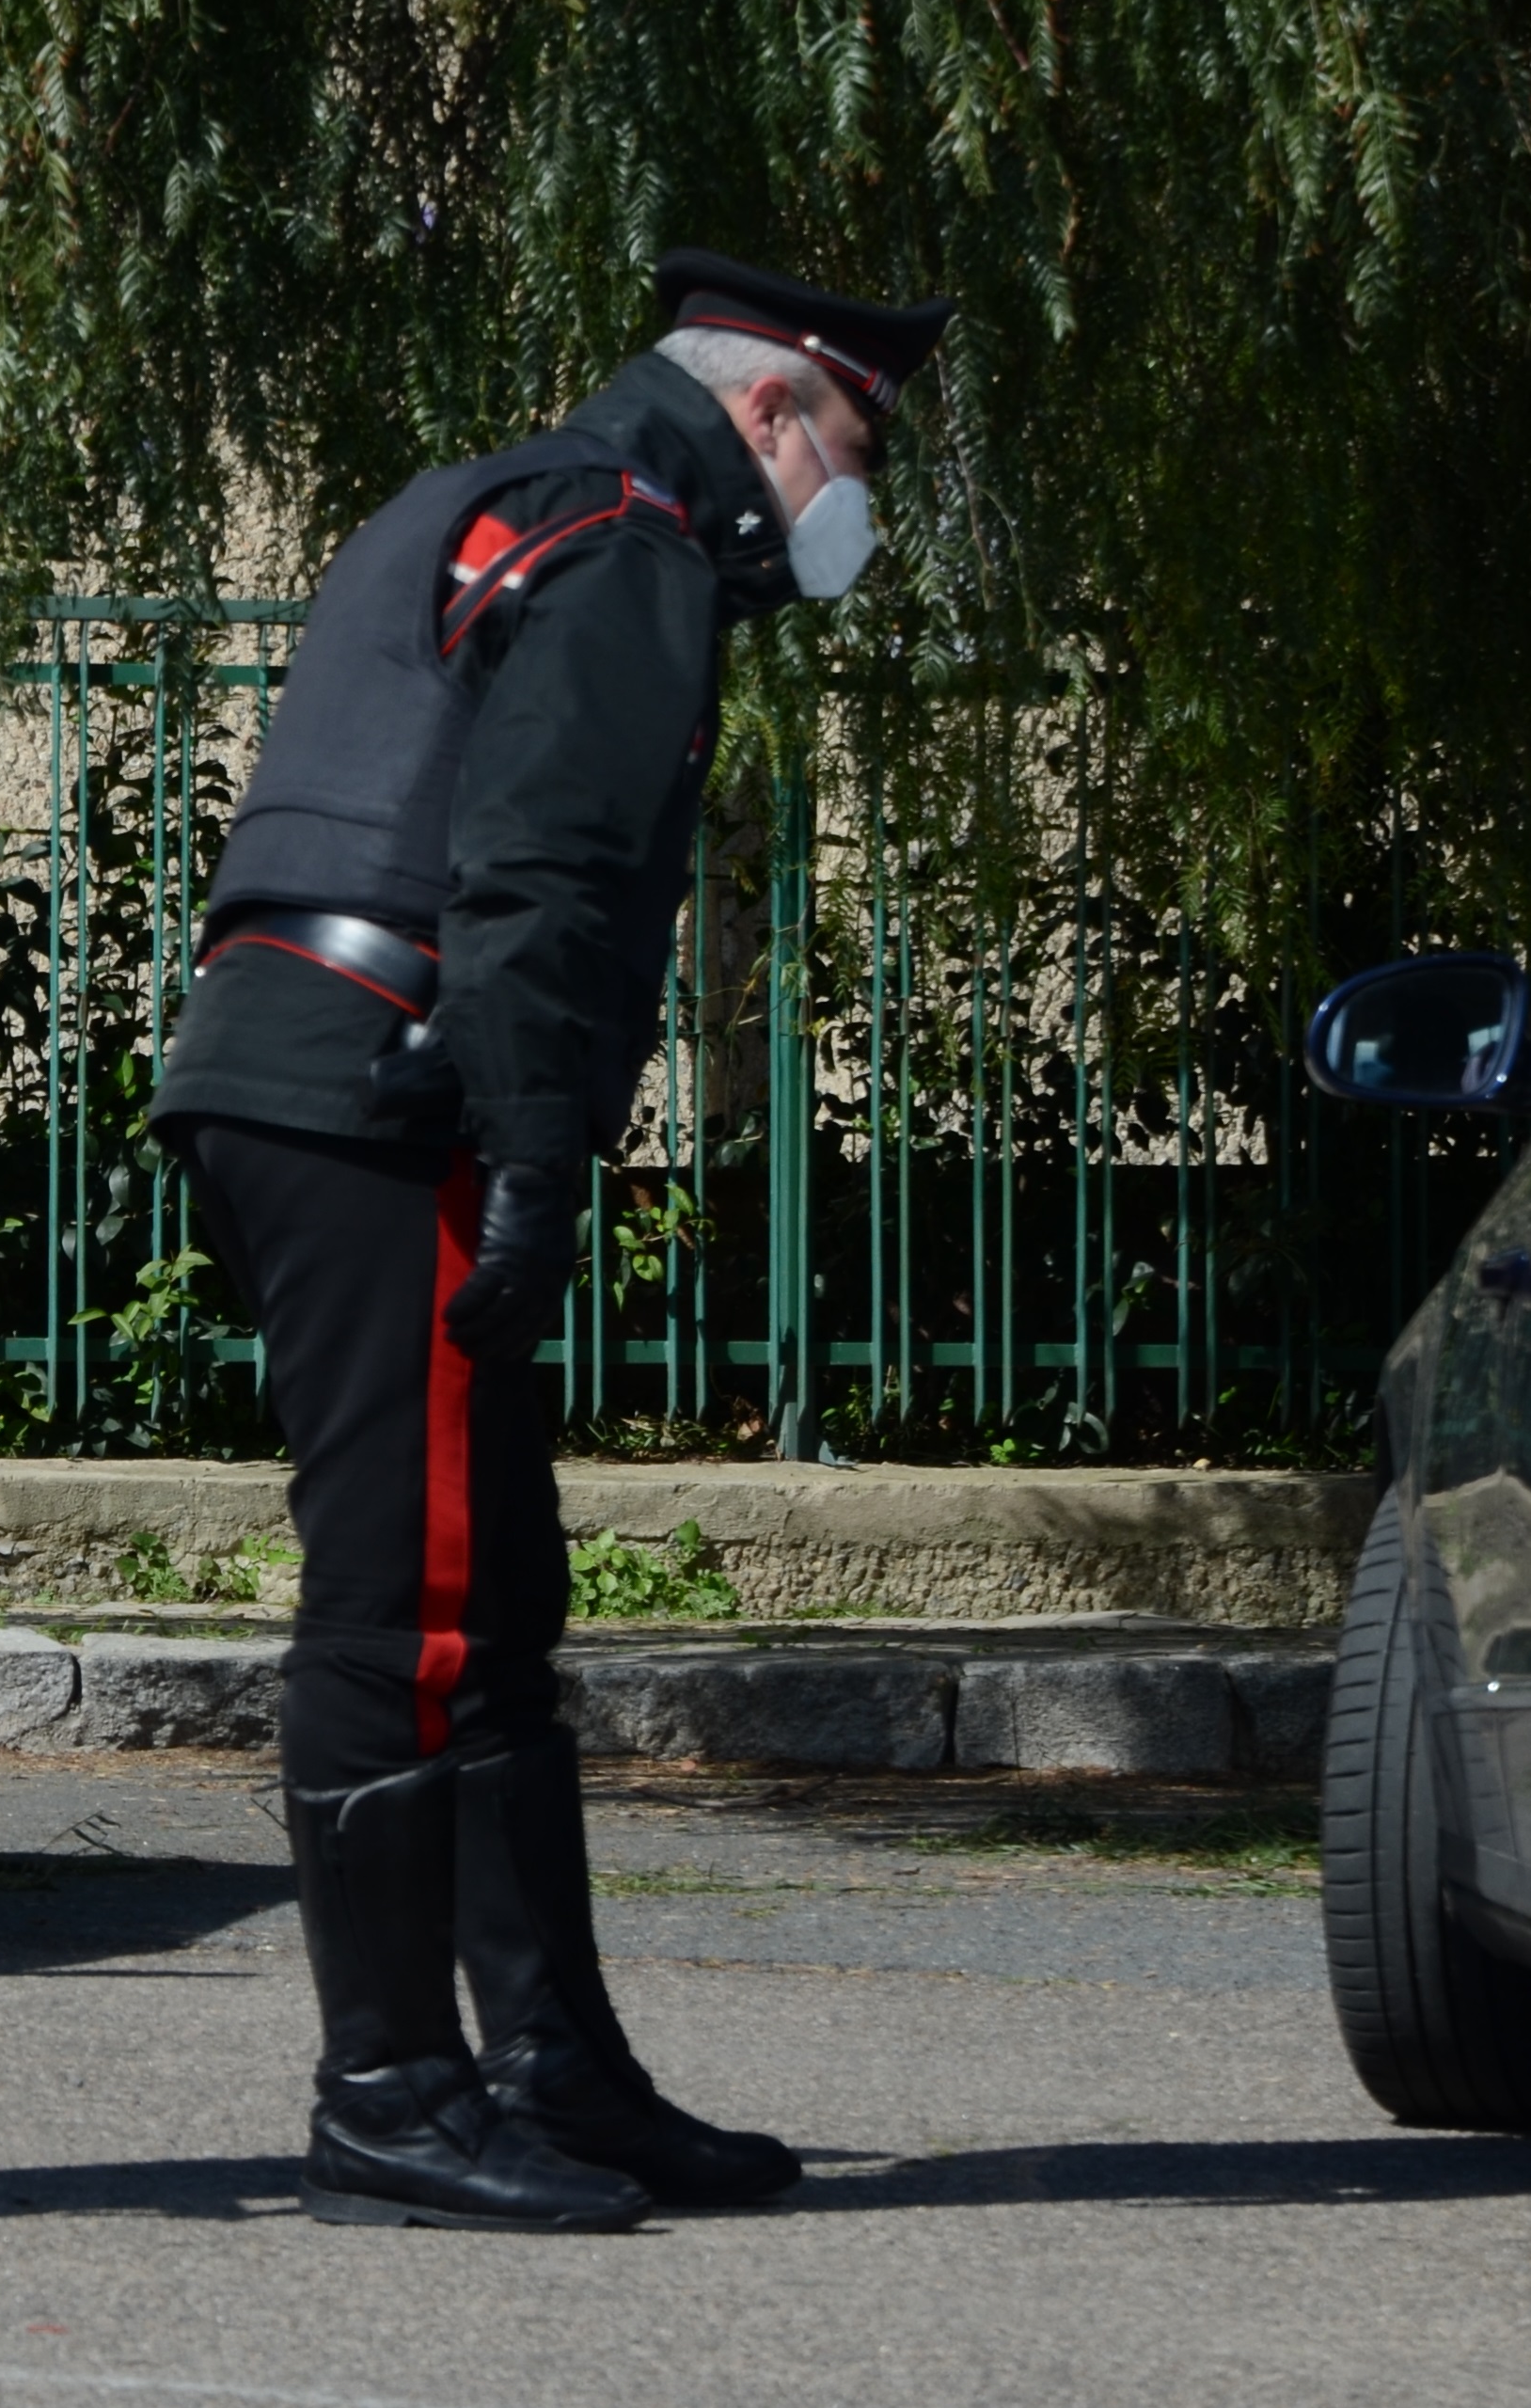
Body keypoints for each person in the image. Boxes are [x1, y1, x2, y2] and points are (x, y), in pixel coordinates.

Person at [150, 249, 953, 2232]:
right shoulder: (634, 538)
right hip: (385, 1090)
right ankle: (389, 2091)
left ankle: (547, 2061)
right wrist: (527, 1153)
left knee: (495, 1598)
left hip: (306, 1063)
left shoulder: (494, 489)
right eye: (853, 442)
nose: (854, 496)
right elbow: (541, 867)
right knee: (411, 1597)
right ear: (770, 411)